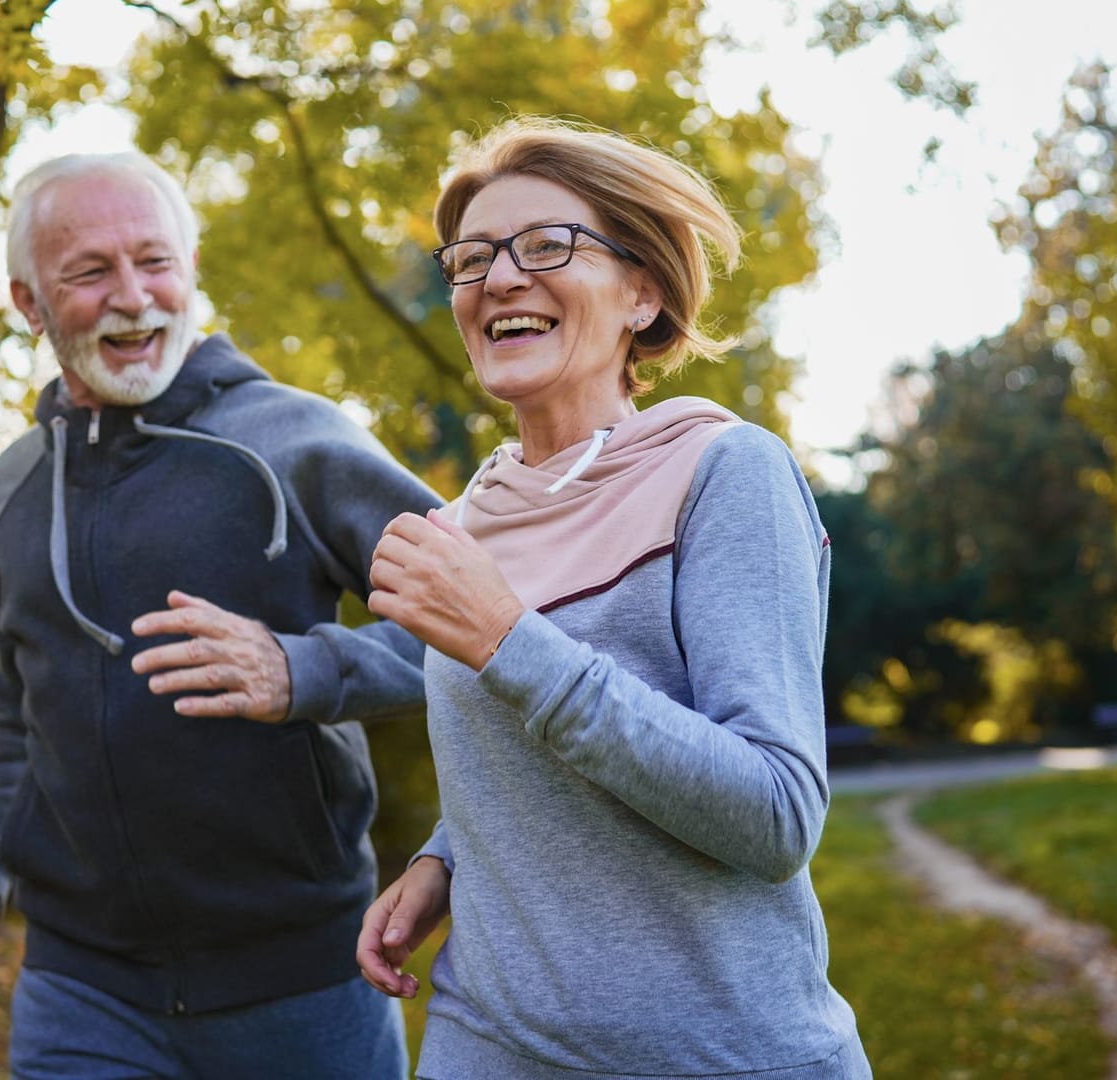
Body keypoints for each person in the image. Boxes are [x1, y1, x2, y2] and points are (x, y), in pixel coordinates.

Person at [357, 117, 872, 1079]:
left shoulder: (725, 474)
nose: (499, 279)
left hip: (719, 1055)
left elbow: (775, 815)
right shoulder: (464, 521)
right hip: (488, 1046)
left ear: (643, 293)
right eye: (471, 260)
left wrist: (511, 640)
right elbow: (526, 759)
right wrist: (449, 858)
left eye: (546, 246)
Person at [0, 150, 439, 1079]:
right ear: (29, 304)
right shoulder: (9, 491)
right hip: (82, 991)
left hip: (303, 983)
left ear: (190, 272)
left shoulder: (296, 439)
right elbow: (4, 707)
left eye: (154, 261)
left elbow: (488, 628)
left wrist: (306, 670)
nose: (133, 295)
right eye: (89, 272)